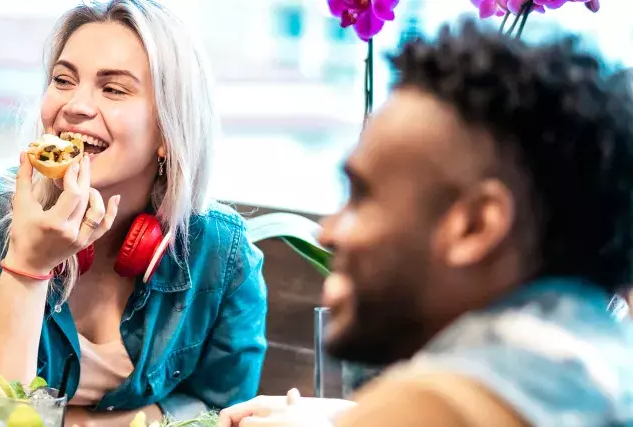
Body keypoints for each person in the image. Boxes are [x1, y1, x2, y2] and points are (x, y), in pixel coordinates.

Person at [220, 19, 633, 426]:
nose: (328, 232)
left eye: (362, 196)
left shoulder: (440, 403)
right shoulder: (596, 359)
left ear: (475, 226)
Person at [0, 1, 268, 425]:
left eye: (113, 89)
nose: (75, 106)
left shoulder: (221, 249)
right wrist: (28, 265)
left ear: (168, 129)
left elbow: (227, 410)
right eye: (62, 80)